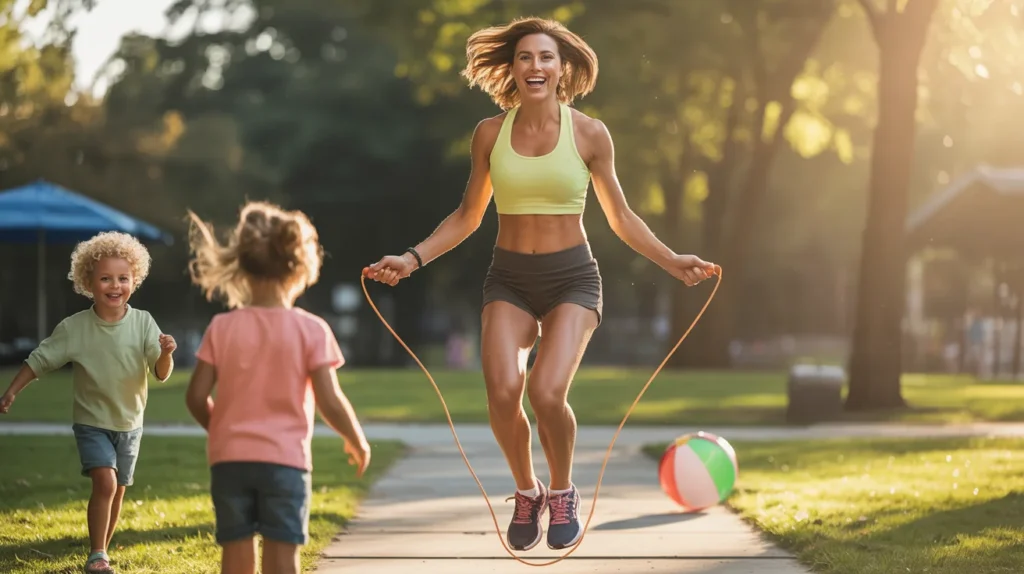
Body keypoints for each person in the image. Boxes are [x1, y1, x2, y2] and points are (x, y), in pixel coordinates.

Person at [364, 17, 716, 552]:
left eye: (546, 57)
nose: (536, 66)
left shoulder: (590, 134)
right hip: (508, 278)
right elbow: (467, 216)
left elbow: (620, 217)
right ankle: (528, 492)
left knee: (547, 392)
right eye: (525, 57)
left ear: (563, 69)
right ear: (513, 68)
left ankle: (562, 490)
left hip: (573, 277)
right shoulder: (489, 133)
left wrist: (671, 260)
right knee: (503, 392)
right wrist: (411, 259)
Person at [184, 201, 371, 574]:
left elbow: (195, 396)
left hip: (229, 461)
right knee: (282, 558)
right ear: (299, 266)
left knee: (235, 557)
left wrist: (224, 430)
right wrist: (356, 438)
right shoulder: (311, 329)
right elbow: (329, 400)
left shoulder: (221, 327)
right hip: (285, 463)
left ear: (241, 264)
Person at [0, 231, 176, 574]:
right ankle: (97, 554)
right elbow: (40, 360)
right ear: (88, 282)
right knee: (106, 482)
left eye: (123, 278)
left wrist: (167, 353)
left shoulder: (143, 323)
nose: (115, 285)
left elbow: (161, 372)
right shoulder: (75, 328)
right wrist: (11, 391)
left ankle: (102, 551)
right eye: (106, 278)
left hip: (130, 423)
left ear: (134, 280)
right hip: (92, 422)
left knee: (119, 489)